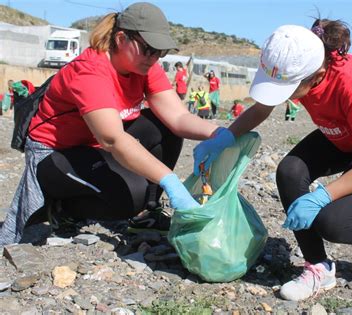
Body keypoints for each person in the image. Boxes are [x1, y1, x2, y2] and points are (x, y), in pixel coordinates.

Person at [193, 22, 352, 301]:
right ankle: (318, 266)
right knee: (290, 171)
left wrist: (322, 196)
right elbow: (261, 109)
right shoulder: (294, 64)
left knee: (332, 222)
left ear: (318, 74)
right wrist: (224, 137)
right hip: (339, 136)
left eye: (288, 88)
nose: (284, 95)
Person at [0, 2, 223, 245]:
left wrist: (222, 134)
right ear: (120, 38)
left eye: (161, 52)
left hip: (94, 146)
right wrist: (170, 181)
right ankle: (63, 209)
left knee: (164, 128)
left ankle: (146, 213)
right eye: (148, 49)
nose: (154, 57)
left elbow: (178, 118)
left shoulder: (145, 67)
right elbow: (112, 138)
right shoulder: (91, 71)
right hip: (54, 154)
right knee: (132, 194)